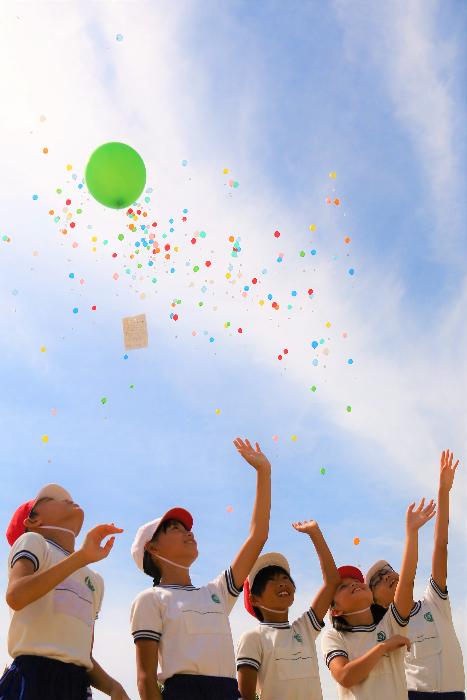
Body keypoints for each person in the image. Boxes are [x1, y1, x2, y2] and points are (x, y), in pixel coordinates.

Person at [130, 437, 271, 700]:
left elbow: (258, 536)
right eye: (175, 529)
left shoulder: (216, 592)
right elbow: (145, 679)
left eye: (187, 528)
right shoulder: (150, 599)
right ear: (153, 549)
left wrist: (264, 472)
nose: (188, 533)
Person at [0, 483, 129, 700]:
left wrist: (114, 687)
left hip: (76, 685)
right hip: (33, 677)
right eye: (51, 499)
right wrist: (80, 558)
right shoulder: (33, 541)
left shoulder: (95, 580)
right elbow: (16, 595)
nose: (67, 499)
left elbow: (82, 654)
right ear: (33, 521)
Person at [366, 449, 465, 699]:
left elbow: (440, 545)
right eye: (379, 578)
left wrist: (444, 491)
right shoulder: (386, 625)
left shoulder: (435, 603)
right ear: (374, 598)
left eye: (389, 570)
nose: (388, 575)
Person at [322, 497, 436, 699]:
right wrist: (384, 646)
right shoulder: (334, 637)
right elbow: (345, 676)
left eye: (356, 581)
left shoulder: (390, 623)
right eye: (343, 586)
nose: (354, 584)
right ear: (335, 610)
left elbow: (406, 581)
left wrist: (412, 533)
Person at [236, 518, 340, 700]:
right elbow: (246, 696)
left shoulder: (304, 629)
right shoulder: (253, 638)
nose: (282, 582)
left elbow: (332, 582)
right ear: (254, 599)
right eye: (272, 579)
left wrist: (315, 534)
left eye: (285, 578)